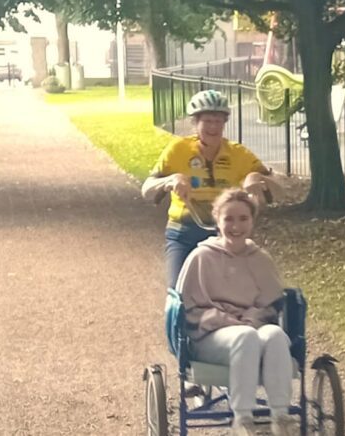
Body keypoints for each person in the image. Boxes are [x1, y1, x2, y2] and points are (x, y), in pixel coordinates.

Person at [176, 189, 293, 436]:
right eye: (229, 219)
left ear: (252, 221)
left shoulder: (261, 258)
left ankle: (280, 416)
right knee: (245, 337)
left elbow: (270, 305)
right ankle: (243, 418)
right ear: (217, 220)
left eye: (243, 218)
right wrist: (226, 320)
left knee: (275, 335)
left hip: (253, 327)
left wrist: (252, 318)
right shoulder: (201, 257)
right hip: (211, 335)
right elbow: (189, 309)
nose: (236, 226)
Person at [141, 89, 278, 288]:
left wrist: (257, 178)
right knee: (178, 294)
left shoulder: (238, 154)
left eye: (218, 121)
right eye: (207, 121)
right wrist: (170, 180)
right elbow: (147, 190)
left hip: (226, 234)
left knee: (233, 293)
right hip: (183, 233)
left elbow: (281, 187)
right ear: (196, 123)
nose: (213, 127)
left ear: (224, 123)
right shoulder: (178, 150)